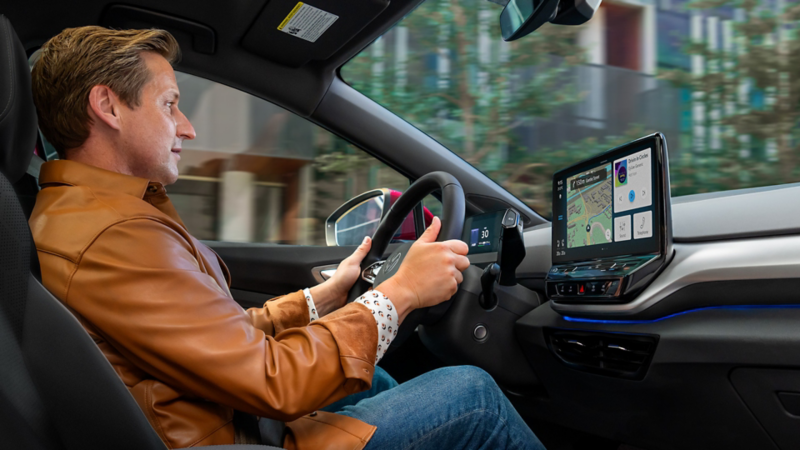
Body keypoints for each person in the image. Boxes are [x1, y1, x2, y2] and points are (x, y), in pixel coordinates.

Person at [28, 26, 545, 450]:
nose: (186, 127)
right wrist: (402, 291)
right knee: (472, 395)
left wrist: (323, 297)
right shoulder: (114, 235)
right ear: (108, 107)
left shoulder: (88, 215)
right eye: (169, 105)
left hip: (230, 419)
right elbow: (272, 380)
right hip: (240, 435)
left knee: (381, 381)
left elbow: (215, 335)